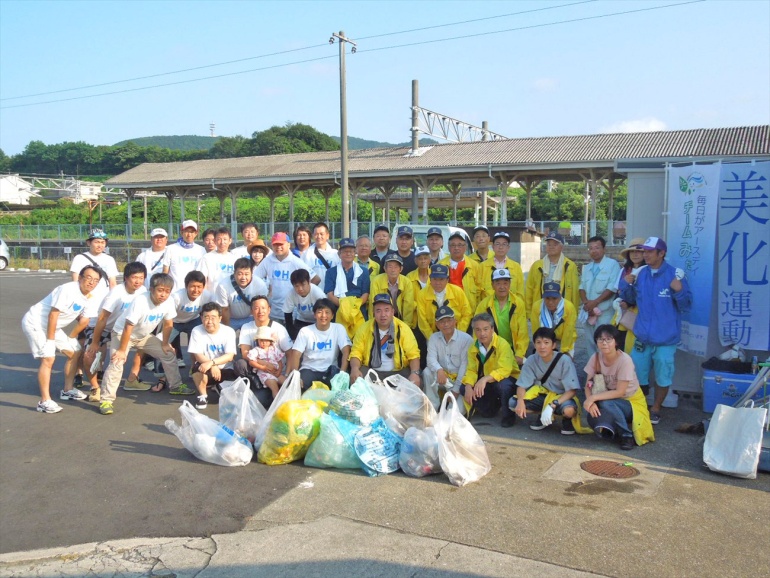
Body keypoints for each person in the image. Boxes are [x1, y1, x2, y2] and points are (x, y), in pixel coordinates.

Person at [620, 237, 692, 425]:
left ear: (662, 253)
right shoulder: (640, 273)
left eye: (650, 252)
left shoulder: (675, 274)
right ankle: (640, 405)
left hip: (666, 339)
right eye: (644, 251)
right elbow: (629, 299)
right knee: (637, 373)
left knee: (663, 375)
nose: (645, 255)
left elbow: (687, 305)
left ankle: (656, 408)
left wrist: (679, 291)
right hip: (642, 336)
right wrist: (626, 285)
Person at [99, 273, 193, 415]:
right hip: (123, 334)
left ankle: (176, 386)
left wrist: (166, 344)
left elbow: (168, 324)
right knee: (117, 361)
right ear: (151, 289)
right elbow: (128, 327)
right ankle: (106, 400)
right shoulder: (140, 301)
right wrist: (122, 350)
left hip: (143, 336)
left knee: (168, 354)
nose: (163, 294)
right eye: (160, 290)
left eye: (167, 291)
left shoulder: (168, 302)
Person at [21, 265, 100, 413]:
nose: (91, 282)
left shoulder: (90, 298)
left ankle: (67, 390)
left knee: (75, 351)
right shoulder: (67, 290)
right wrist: (50, 342)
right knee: (48, 358)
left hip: (53, 327)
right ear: (80, 278)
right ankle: (44, 401)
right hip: (36, 323)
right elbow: (53, 315)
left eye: (95, 280)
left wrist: (71, 337)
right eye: (88, 278)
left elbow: (84, 321)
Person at [80, 262, 148, 401]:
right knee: (90, 356)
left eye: (141, 278)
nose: (138, 281)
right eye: (134, 277)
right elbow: (102, 318)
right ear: (126, 278)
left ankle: (132, 379)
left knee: (145, 344)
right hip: (103, 327)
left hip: (123, 329)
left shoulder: (143, 291)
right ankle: (95, 388)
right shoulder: (117, 293)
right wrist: (94, 342)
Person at [583, 324, 654, 450]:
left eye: (608, 339)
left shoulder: (624, 360)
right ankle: (611, 428)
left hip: (630, 402)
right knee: (594, 408)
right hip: (609, 398)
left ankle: (626, 435)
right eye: (600, 339)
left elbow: (620, 392)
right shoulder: (595, 358)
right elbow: (588, 385)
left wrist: (593, 398)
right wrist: (591, 401)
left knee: (605, 403)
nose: (604, 343)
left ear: (616, 341)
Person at [512, 327, 585, 435]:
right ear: (535, 344)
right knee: (513, 403)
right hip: (543, 395)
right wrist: (520, 401)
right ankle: (542, 416)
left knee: (569, 411)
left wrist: (552, 405)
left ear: (553, 345)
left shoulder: (564, 360)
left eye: (546, 342)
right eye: (538, 342)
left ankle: (567, 421)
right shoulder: (532, 359)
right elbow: (521, 385)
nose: (542, 346)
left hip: (561, 398)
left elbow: (572, 390)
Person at [69, 229, 119, 385]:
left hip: (102, 307)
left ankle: (97, 369)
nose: (100, 245)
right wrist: (76, 307)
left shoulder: (109, 260)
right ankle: (78, 373)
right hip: (84, 306)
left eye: (103, 242)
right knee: (82, 340)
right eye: (96, 241)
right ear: (89, 242)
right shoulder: (80, 258)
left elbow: (112, 283)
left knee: (100, 340)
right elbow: (75, 282)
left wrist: (115, 303)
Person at [349, 293, 421, 385]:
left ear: (392, 311)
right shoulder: (364, 328)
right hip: (372, 371)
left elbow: (413, 354)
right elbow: (356, 352)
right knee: (355, 379)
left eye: (386, 310)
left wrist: (414, 373)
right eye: (378, 311)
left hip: (397, 371)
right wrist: (354, 369)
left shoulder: (403, 328)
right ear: (373, 313)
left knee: (416, 381)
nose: (383, 314)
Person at [235, 296, 294, 407]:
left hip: (278, 371)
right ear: (251, 311)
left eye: (263, 308)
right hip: (260, 371)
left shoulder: (279, 328)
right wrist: (264, 364)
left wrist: (286, 373)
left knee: (287, 390)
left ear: (269, 309)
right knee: (240, 364)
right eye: (256, 308)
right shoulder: (246, 327)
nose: (260, 311)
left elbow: (290, 353)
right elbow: (245, 353)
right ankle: (256, 385)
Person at [461, 313, 517, 428]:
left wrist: (485, 379)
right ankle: (490, 408)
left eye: (486, 329)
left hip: (506, 379)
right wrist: (468, 386)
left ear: (492, 329)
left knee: (503, 386)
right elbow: (471, 370)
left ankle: (509, 416)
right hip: (487, 380)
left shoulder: (502, 344)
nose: (482, 333)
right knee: (464, 387)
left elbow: (504, 370)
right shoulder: (473, 347)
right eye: (478, 330)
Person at [286, 299, 351, 390]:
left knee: (339, 390)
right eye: (320, 312)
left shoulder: (338, 328)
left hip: (330, 369)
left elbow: (346, 351)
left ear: (332, 315)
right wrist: (295, 374)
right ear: (315, 315)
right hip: (309, 369)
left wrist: (342, 373)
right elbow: (296, 354)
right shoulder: (305, 331)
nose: (323, 315)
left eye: (327, 312)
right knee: (297, 387)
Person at [255, 232, 318, 323]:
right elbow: (255, 278)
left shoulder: (296, 261)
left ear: (289, 245)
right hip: (273, 312)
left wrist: (302, 295)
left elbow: (315, 279)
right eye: (275, 244)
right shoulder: (267, 261)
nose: (278, 247)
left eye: (281, 244)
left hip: (292, 313)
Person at [187, 302, 238, 409]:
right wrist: (212, 366)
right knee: (196, 370)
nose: (209, 321)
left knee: (230, 401)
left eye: (213, 317)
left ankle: (218, 386)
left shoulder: (229, 331)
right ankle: (203, 395)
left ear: (220, 318)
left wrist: (212, 362)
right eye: (206, 317)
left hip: (226, 368)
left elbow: (230, 356)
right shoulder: (196, 331)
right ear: (201, 318)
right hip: (206, 367)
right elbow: (198, 355)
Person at [423, 305, 473, 411]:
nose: (446, 324)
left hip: (458, 381)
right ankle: (432, 407)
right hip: (442, 377)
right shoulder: (434, 338)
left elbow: (465, 367)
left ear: (455, 321)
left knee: (453, 414)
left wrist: (455, 391)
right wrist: (439, 369)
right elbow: (430, 359)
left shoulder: (466, 339)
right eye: (442, 322)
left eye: (449, 320)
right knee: (427, 371)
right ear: (437, 324)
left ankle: (449, 407)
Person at [475, 269, 528, 367]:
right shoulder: (484, 305)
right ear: (492, 285)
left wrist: (520, 354)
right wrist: (480, 352)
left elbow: (523, 332)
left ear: (509, 284)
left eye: (505, 283)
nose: (502, 287)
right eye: (498, 283)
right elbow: (477, 330)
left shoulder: (518, 303)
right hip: (491, 349)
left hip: (512, 349)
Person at [165, 270, 214, 375]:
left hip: (193, 320)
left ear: (203, 287)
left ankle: (194, 368)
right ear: (186, 286)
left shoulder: (207, 296)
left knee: (196, 344)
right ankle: (164, 373)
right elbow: (167, 317)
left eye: (199, 287)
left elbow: (208, 312)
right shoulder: (176, 297)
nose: (196, 290)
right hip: (175, 322)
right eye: (193, 286)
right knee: (163, 344)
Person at [525, 231, 580, 320]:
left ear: (561, 247)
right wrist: (528, 312)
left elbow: (575, 292)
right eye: (549, 244)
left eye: (555, 244)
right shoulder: (537, 265)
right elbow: (529, 289)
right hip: (541, 306)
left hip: (562, 307)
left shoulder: (570, 266)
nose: (551, 247)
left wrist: (574, 312)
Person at [324, 237, 370, 337]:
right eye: (345, 251)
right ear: (339, 254)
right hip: (339, 311)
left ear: (355, 253)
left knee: (360, 342)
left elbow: (366, 293)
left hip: (358, 311)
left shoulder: (364, 271)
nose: (348, 254)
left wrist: (354, 307)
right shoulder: (331, 272)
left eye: (351, 251)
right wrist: (344, 306)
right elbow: (330, 294)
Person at [416, 264, 472, 339]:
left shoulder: (457, 291)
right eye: (435, 279)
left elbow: (467, 314)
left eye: (441, 279)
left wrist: (457, 335)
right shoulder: (422, 294)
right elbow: (422, 321)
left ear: (447, 279)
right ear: (430, 279)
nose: (438, 283)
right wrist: (432, 338)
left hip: (457, 333)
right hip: (433, 334)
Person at [579, 235, 621, 331]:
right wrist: (586, 303)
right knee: (590, 343)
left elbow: (612, 288)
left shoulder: (612, 264)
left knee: (604, 342)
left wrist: (595, 302)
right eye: (591, 248)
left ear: (604, 249)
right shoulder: (587, 267)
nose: (594, 251)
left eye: (597, 248)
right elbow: (581, 287)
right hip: (589, 312)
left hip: (605, 313)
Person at [215, 257, 268, 330]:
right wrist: (227, 329)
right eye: (240, 274)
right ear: (234, 273)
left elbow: (262, 307)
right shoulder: (223, 286)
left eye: (246, 274)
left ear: (252, 273)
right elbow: (224, 309)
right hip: (231, 319)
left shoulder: (260, 284)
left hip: (251, 318)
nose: (243, 277)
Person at [613, 237, 646, 353]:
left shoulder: (647, 270)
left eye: (639, 251)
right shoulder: (624, 270)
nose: (635, 254)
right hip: (624, 315)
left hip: (641, 315)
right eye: (632, 251)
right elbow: (617, 291)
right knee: (621, 345)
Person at [530, 281, 578, 358]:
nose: (550, 302)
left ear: (560, 297)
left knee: (565, 362)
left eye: (554, 298)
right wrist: (539, 346)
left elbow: (568, 331)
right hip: (545, 338)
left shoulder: (569, 307)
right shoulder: (537, 306)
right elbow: (536, 330)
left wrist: (564, 351)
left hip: (565, 339)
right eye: (547, 298)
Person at [369, 253, 415, 327]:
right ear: (385, 268)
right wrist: (374, 325)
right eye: (390, 266)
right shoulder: (376, 281)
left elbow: (408, 307)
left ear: (401, 269)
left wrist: (406, 326)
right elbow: (373, 304)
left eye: (396, 267)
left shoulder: (406, 282)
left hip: (399, 317)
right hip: (382, 316)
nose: (393, 270)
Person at [478, 231, 525, 303]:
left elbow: (520, 293)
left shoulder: (516, 267)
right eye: (497, 244)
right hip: (488, 308)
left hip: (510, 308)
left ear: (508, 247)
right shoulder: (483, 266)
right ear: (493, 247)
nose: (501, 247)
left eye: (504, 244)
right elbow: (479, 292)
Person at [440, 231, 480, 311]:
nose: (456, 248)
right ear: (448, 247)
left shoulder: (474, 266)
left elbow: (480, 290)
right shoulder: (441, 265)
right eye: (453, 245)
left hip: (469, 310)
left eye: (460, 245)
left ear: (465, 247)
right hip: (447, 310)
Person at [162, 220, 206, 292]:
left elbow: (203, 274)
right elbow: (165, 271)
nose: (189, 234)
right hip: (174, 291)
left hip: (193, 292)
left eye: (192, 232)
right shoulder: (170, 248)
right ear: (182, 232)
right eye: (186, 231)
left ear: (196, 233)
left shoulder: (201, 250)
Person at [283, 268, 326, 340]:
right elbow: (287, 315)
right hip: (302, 320)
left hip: (318, 321)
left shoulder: (318, 293)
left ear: (309, 282)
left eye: (303, 285)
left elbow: (326, 312)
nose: (300, 289)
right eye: (296, 286)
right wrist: (292, 335)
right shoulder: (291, 294)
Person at [246, 326, 286, 399]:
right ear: (257, 341)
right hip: (265, 374)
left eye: (266, 340)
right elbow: (251, 362)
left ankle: (289, 399)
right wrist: (261, 367)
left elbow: (279, 361)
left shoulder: (274, 349)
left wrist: (280, 370)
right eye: (261, 340)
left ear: (270, 341)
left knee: (286, 383)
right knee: (275, 388)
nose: (264, 343)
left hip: (276, 372)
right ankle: (277, 405)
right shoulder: (256, 350)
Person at [303, 222, 339, 286]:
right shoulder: (306, 254)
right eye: (316, 234)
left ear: (327, 236)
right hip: (314, 294)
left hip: (331, 294)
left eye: (321, 234)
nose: (319, 236)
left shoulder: (335, 254)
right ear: (313, 236)